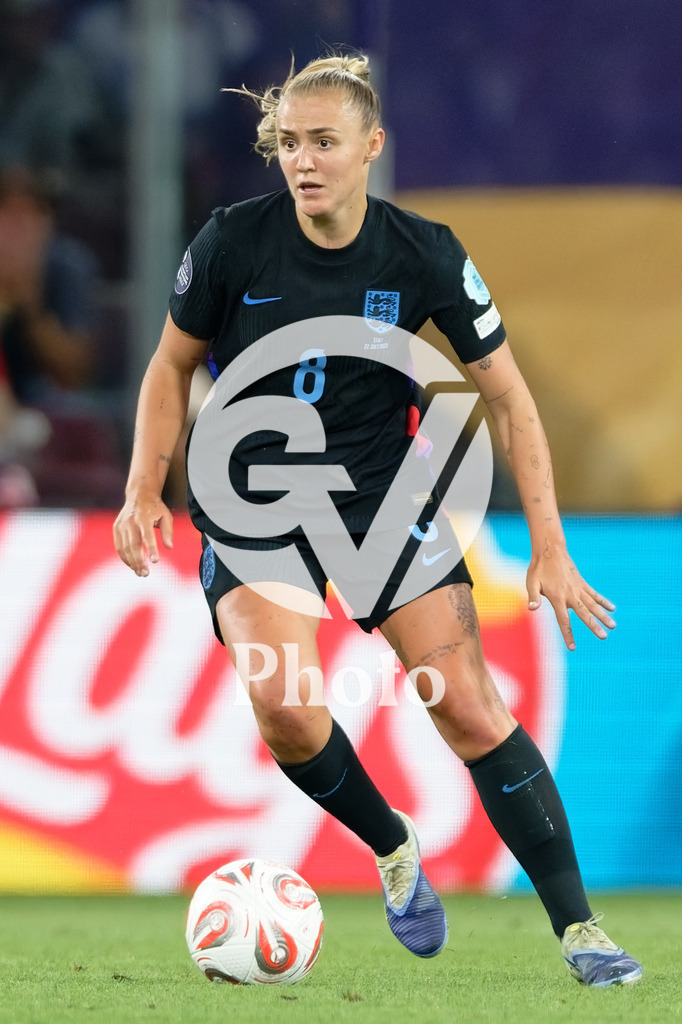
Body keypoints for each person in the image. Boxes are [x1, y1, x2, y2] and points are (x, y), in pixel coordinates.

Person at [113, 53, 642, 987]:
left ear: (371, 147)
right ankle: (394, 848)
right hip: (253, 502)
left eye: (324, 142)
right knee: (286, 711)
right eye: (289, 144)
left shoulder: (425, 252)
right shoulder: (233, 241)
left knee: (469, 709)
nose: (304, 161)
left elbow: (512, 401)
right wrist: (142, 488)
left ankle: (582, 931)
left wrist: (549, 547)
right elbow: (168, 366)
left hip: (380, 499)